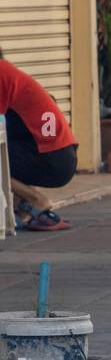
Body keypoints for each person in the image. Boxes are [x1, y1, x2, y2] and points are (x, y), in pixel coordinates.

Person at [0, 50, 77, 231]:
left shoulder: (1, 72)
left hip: (53, 158)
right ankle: (23, 210)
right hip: (59, 155)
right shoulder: (9, 72)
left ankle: (37, 201)